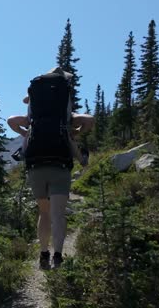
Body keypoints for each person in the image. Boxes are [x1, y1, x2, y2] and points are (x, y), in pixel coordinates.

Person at [7, 67, 94, 270]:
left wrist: (26, 134)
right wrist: (75, 133)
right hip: (60, 163)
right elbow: (89, 120)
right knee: (58, 214)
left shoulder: (34, 112)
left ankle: (43, 254)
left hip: (36, 163)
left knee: (43, 213)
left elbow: (11, 120)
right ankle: (57, 257)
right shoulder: (65, 114)